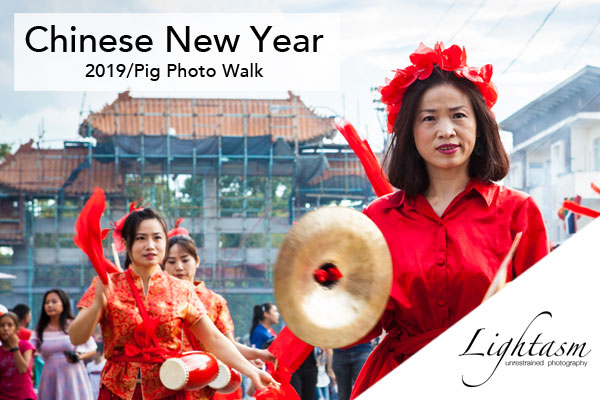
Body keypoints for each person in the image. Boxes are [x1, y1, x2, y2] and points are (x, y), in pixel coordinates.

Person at [349, 42, 549, 399]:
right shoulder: (377, 218)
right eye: (429, 118)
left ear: (479, 125)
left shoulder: (519, 212)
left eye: (458, 115)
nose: (446, 130)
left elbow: (545, 318)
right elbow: (362, 326)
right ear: (409, 131)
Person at [69, 208, 277, 400]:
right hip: (117, 391)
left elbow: (214, 338)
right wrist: (97, 304)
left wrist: (252, 371)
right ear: (126, 242)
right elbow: (77, 337)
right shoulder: (106, 284)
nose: (150, 245)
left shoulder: (182, 290)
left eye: (157, 238)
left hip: (168, 390)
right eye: (141, 238)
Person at [163, 233, 275, 399]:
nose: (179, 267)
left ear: (197, 261)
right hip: (164, 380)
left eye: (185, 260)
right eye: (171, 262)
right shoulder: (156, 299)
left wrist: (257, 355)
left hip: (202, 382)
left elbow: (225, 343)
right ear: (163, 265)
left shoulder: (214, 301)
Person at [31, 289, 97, 400]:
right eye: (47, 303)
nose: (50, 305)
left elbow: (92, 349)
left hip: (73, 376)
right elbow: (30, 347)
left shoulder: (74, 325)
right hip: (49, 376)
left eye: (54, 301)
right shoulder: (40, 329)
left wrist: (79, 356)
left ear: (64, 303)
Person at [0, 311, 36, 400]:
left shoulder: (26, 346)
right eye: (2, 325)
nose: (5, 328)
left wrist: (15, 348)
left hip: (24, 396)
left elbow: (23, 369)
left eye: (10, 325)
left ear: (17, 329)